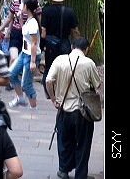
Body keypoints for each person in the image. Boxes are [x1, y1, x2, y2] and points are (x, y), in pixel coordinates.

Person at [45, 36, 101, 179]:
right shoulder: (89, 63)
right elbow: (97, 84)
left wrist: (53, 99)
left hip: (63, 109)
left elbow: (48, 80)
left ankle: (63, 170)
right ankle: (80, 175)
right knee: (83, 144)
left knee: (64, 141)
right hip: (83, 111)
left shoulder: (59, 60)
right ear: (86, 49)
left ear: (71, 47)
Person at [40, 0, 80, 99]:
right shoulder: (69, 11)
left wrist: (42, 46)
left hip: (51, 44)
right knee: (65, 68)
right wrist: (78, 45)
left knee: (49, 68)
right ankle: (63, 91)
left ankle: (49, 92)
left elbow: (43, 31)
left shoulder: (46, 11)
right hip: (65, 43)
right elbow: (75, 31)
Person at [0, 0, 42, 69]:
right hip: (16, 33)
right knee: (13, 58)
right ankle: (10, 75)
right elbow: (9, 18)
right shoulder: (15, 3)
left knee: (25, 59)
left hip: (27, 36)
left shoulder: (35, 5)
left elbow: (39, 21)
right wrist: (1, 30)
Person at [8, 0, 42, 109]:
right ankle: (20, 98)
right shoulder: (28, 20)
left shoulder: (33, 23)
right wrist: (20, 19)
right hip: (24, 53)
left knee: (26, 85)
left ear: (26, 7)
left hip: (31, 55)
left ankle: (33, 108)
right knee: (11, 74)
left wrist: (32, 61)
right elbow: (24, 32)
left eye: (22, 4)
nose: (20, 6)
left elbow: (33, 43)